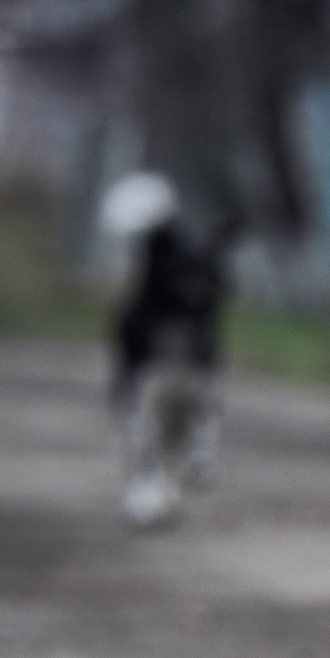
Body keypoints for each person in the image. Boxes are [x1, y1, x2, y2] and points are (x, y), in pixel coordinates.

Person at [99, 173, 234, 529]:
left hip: (182, 357)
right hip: (152, 358)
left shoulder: (179, 259)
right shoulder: (157, 262)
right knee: (151, 425)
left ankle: (180, 468)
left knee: (182, 419)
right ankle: (149, 490)